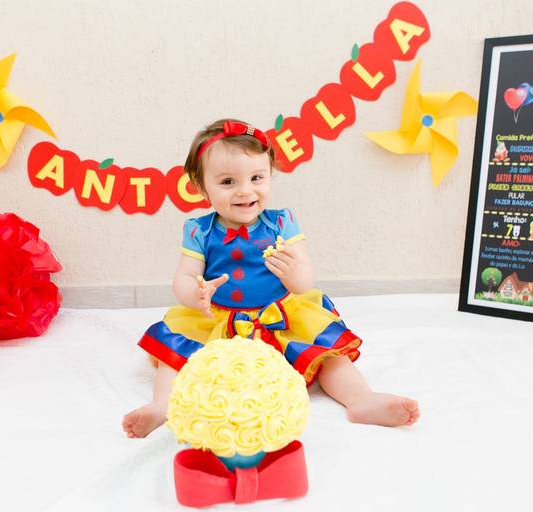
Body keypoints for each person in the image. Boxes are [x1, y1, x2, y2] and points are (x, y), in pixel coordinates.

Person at [122, 119, 420, 438]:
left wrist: (294, 274)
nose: (245, 190)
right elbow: (184, 275)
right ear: (201, 187)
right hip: (219, 318)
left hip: (280, 314)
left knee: (328, 356)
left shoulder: (281, 223)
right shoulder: (199, 230)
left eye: (257, 178)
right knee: (174, 355)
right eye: (228, 182)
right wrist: (196, 293)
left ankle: (361, 399)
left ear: (269, 175)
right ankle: (163, 405)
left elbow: (305, 278)